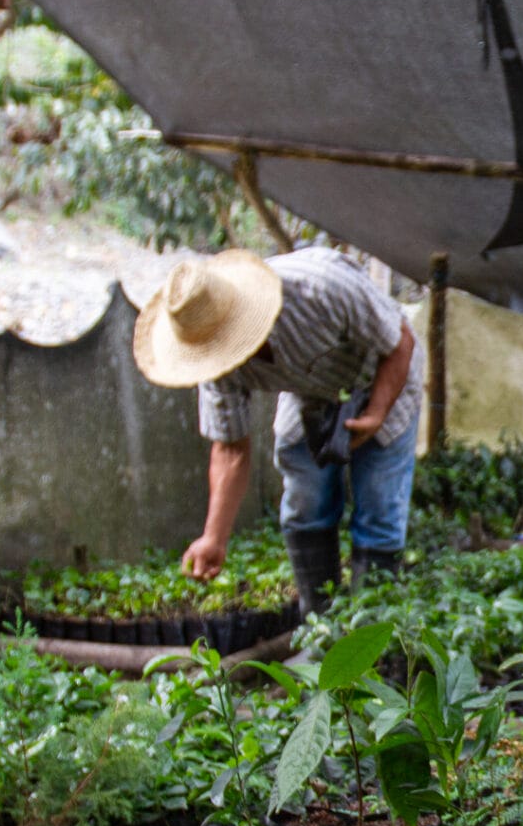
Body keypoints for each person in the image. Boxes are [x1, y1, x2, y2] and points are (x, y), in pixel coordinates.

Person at [131, 245, 424, 613]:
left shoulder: (322, 290)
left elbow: (401, 343)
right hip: (310, 393)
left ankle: (373, 637)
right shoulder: (213, 362)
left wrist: (377, 412)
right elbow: (231, 449)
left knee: (379, 508)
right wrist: (214, 537)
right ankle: (322, 627)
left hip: (384, 375)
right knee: (306, 502)